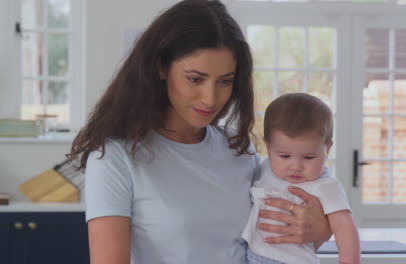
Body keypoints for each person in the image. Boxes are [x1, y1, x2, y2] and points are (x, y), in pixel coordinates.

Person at [67, 1, 332, 263]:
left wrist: (320, 227)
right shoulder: (116, 158)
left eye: (225, 81)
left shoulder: (239, 150)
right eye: (195, 79)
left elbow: (280, 244)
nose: (210, 98)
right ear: (161, 67)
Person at [242, 93, 360, 264]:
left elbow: (344, 226)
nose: (296, 166)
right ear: (267, 145)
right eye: (284, 155)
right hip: (252, 256)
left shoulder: (325, 186)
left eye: (309, 157)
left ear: (328, 148)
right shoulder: (265, 168)